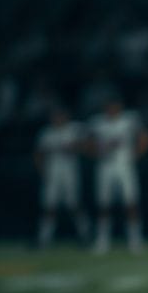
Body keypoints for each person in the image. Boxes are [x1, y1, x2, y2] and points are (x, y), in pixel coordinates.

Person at [88, 96, 148, 253]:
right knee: (104, 204)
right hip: (105, 166)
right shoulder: (98, 122)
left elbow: (146, 137)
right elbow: (86, 143)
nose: (112, 110)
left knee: (131, 202)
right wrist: (99, 151)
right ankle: (102, 241)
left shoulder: (129, 120)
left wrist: (136, 154)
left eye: (115, 107)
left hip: (124, 166)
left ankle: (135, 240)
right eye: (109, 107)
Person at [35, 104, 90, 248]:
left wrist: (76, 146)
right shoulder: (46, 133)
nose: (57, 118)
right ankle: (43, 239)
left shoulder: (74, 129)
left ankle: (85, 235)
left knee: (74, 205)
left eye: (60, 115)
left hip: (70, 173)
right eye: (54, 116)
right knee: (49, 206)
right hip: (52, 173)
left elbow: (90, 142)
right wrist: (42, 171)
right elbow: (39, 154)